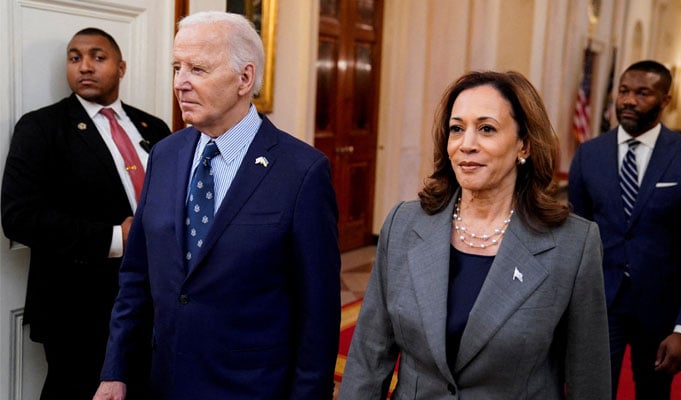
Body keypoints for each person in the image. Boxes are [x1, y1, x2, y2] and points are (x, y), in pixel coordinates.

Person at [93, 11, 341, 400]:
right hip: (162, 383)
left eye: (197, 69)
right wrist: (116, 371)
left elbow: (318, 313)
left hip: (250, 388)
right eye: (177, 67)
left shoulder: (302, 172)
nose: (180, 83)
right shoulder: (165, 154)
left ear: (244, 78)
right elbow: (137, 276)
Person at [338, 71, 610, 399]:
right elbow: (370, 354)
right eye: (457, 129)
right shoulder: (404, 225)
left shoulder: (573, 245)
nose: (467, 145)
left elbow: (588, 378)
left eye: (486, 129)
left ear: (523, 143)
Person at [0, 28, 170, 399]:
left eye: (98, 56)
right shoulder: (41, 128)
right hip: (75, 307)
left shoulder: (153, 127)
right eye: (75, 58)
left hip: (152, 297)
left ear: (121, 67)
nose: (85, 67)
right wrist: (114, 237)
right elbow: (18, 215)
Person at [568, 60, 681, 399]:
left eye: (643, 93)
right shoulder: (588, 155)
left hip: (660, 311)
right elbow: (574, 240)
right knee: (592, 392)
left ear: (665, 100)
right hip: (599, 303)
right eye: (624, 91)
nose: (629, 100)